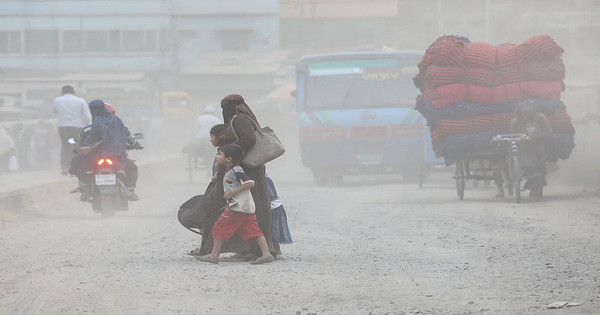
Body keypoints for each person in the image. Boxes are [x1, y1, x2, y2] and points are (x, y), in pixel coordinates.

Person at [199, 94, 273, 257]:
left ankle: (251, 250)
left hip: (244, 171)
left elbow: (248, 139)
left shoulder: (240, 119)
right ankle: (246, 249)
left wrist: (228, 151)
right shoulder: (242, 119)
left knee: (237, 209)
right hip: (238, 169)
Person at [196, 144, 274, 265]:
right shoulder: (230, 170)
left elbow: (250, 183)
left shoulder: (235, 170)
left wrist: (233, 192)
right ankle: (266, 254)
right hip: (244, 208)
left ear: (228, 159)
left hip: (237, 208)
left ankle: (214, 255)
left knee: (219, 227)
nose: (217, 156)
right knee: (254, 231)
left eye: (220, 154)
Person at [68, 99, 140, 201]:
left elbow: (82, 144)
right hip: (116, 158)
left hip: (92, 159)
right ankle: (129, 190)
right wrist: (136, 145)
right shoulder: (121, 127)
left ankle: (84, 188)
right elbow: (131, 141)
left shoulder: (87, 129)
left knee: (78, 164)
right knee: (132, 168)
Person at [510, 100, 552, 200]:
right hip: (523, 149)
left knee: (540, 168)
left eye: (529, 114)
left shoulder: (540, 118)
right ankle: (535, 187)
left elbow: (548, 132)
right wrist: (523, 139)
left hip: (539, 147)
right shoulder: (515, 121)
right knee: (528, 167)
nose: (526, 116)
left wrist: (536, 137)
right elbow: (514, 135)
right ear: (520, 113)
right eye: (524, 114)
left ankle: (537, 189)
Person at [52, 85, 92, 175]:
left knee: (65, 146)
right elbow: (87, 115)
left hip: (63, 127)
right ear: (73, 92)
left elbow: (54, 111)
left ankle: (65, 167)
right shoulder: (80, 101)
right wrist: (90, 126)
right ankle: (75, 167)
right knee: (76, 146)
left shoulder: (57, 100)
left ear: (62, 92)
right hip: (77, 127)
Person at [266, 175, 293, 256]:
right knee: (274, 231)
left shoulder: (264, 180)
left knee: (274, 231)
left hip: (273, 207)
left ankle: (276, 251)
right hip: (274, 206)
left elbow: (270, 196)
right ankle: (275, 251)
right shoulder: (266, 179)